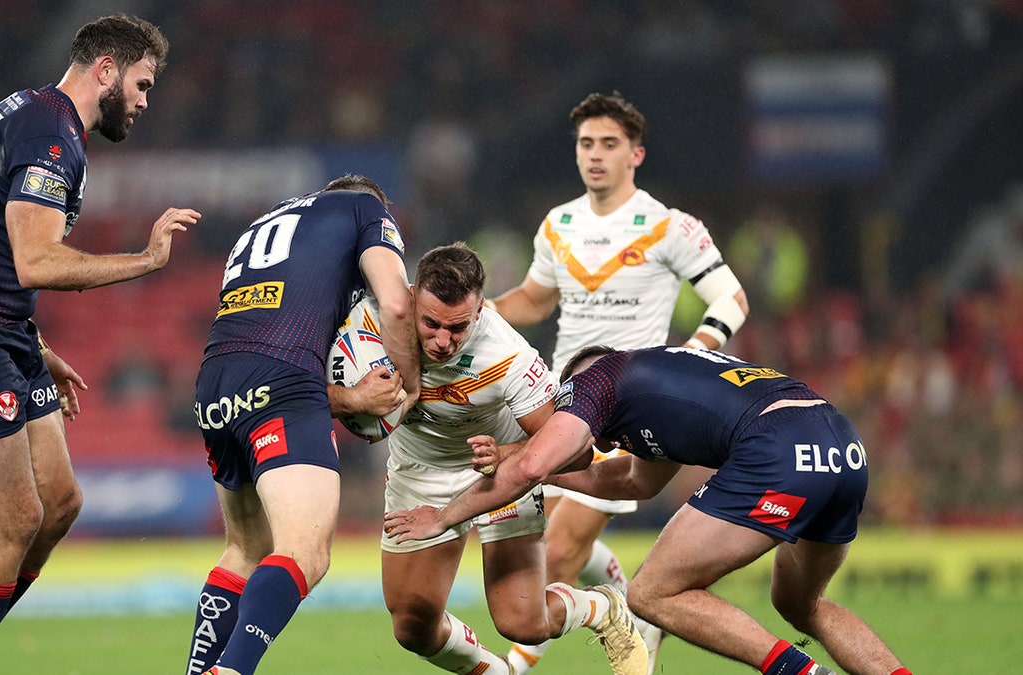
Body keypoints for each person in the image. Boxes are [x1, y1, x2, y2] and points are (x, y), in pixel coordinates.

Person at [0, 14, 199, 675]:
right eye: (142, 84)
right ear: (106, 70)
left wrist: (32, 340)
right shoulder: (52, 136)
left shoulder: (33, 113)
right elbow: (35, 261)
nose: (145, 102)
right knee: (16, 516)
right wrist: (145, 260)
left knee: (59, 501)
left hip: (0, 329)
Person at [386, 344, 913, 675]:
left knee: (649, 592)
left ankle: (798, 673)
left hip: (776, 448)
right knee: (802, 605)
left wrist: (446, 514)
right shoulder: (658, 386)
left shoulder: (598, 379)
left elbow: (536, 466)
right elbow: (627, 479)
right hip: (839, 442)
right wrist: (520, 454)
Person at [485, 91, 749, 673]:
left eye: (609, 144)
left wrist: (694, 351)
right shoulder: (558, 224)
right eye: (586, 144)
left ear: (636, 154)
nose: (595, 155)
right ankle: (640, 622)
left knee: (555, 552)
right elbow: (534, 299)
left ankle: (508, 668)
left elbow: (730, 298)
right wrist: (474, 313)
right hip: (560, 401)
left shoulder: (669, 226)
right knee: (546, 537)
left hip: (630, 405)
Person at [366, 243, 647, 675]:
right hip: (419, 471)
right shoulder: (374, 320)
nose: (442, 341)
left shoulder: (509, 357)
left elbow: (573, 451)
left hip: (500, 475)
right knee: (412, 628)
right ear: (411, 295)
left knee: (525, 624)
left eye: (458, 327)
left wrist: (509, 455)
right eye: (431, 323)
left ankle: (601, 606)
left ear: (479, 310)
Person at [186, 174, 421, 675]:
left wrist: (352, 397)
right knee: (306, 552)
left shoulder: (264, 226)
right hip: (284, 377)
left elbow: (261, 347)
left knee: (245, 551)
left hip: (213, 383)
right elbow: (398, 303)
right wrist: (414, 385)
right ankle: (232, 670)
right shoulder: (365, 209)